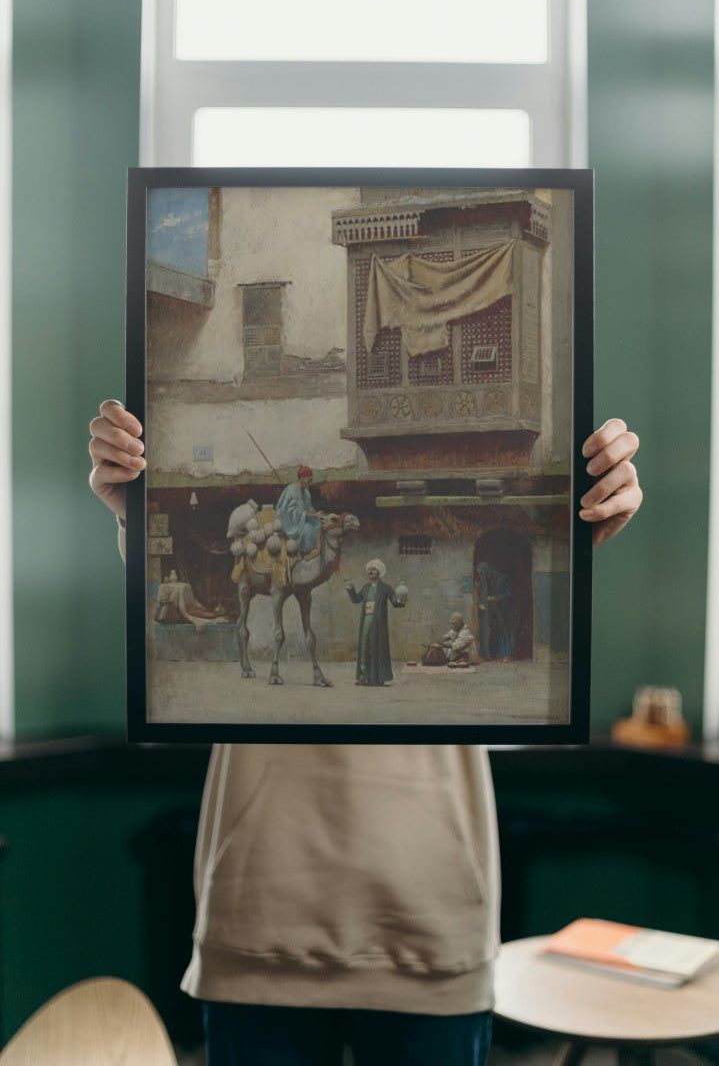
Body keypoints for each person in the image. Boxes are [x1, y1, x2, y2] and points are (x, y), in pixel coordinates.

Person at [89, 403, 642, 1066]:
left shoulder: (336, 523)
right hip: (261, 913)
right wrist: (134, 502)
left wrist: (582, 524)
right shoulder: (285, 501)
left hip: (432, 917)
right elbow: (161, 611)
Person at [344, 559, 407, 686]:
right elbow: (356, 599)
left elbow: (395, 602)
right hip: (366, 620)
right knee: (364, 646)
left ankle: (378, 678)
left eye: (373, 569)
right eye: (369, 569)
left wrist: (402, 600)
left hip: (378, 623)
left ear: (379, 572)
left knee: (377, 647)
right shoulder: (366, 588)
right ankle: (364, 677)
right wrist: (350, 588)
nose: (370, 572)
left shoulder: (385, 588)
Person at [276, 465, 322, 556]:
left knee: (318, 523)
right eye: (308, 480)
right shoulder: (290, 491)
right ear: (301, 479)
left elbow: (309, 508)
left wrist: (316, 514)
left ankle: (318, 547)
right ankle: (306, 552)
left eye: (311, 480)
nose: (310, 483)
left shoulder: (307, 493)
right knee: (308, 529)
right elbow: (285, 511)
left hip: (302, 520)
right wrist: (308, 515)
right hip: (291, 524)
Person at [475, 563, 513, 662]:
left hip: (500, 610)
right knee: (485, 632)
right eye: (480, 574)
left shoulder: (501, 580)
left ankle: (504, 655)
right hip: (487, 612)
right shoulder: (483, 583)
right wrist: (480, 603)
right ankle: (486, 655)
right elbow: (480, 596)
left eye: (483, 574)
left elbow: (509, 595)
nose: (481, 576)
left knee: (502, 631)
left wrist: (496, 598)